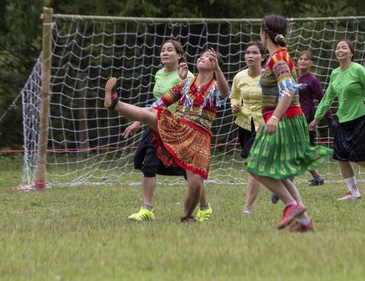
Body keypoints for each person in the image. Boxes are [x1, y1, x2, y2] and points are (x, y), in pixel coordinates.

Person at [105, 47, 229, 222]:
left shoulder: (216, 85)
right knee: (151, 112)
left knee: (195, 186)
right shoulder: (185, 84)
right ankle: (115, 104)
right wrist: (138, 121)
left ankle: (187, 216)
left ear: (216, 65)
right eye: (201, 56)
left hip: (199, 135)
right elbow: (159, 103)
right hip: (178, 126)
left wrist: (217, 69)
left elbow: (225, 93)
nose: (202, 58)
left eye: (209, 58)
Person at [245, 15, 333, 233]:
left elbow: (289, 89)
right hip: (285, 118)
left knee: (256, 166)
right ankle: (304, 222)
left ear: (264, 34)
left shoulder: (279, 58)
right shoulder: (277, 56)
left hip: (283, 119)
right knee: (281, 174)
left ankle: (292, 206)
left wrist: (274, 117)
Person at [121, 40, 207, 222]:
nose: (165, 53)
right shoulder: (159, 74)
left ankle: (205, 207)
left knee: (190, 171)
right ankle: (147, 209)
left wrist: (184, 80)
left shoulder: (187, 75)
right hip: (156, 124)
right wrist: (139, 120)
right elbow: (158, 102)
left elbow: (195, 95)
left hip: (178, 128)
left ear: (179, 55)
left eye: (170, 50)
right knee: (147, 164)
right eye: (162, 50)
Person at [310, 39, 365, 201]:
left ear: (351, 53)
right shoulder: (335, 73)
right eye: (337, 48)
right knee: (340, 155)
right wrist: (317, 118)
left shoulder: (358, 69)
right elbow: (327, 97)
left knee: (359, 157)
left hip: (362, 114)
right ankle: (354, 193)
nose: (339, 50)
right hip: (344, 117)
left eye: (344, 48)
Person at [229, 41, 266, 215]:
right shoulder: (239, 76)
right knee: (254, 163)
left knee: (253, 164)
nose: (250, 56)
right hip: (244, 123)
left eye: (254, 53)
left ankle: (247, 207)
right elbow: (234, 96)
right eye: (247, 53)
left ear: (263, 57)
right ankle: (281, 183)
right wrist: (235, 106)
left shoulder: (269, 77)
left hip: (264, 125)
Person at [295, 50, 331, 186]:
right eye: (300, 59)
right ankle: (317, 177)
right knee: (301, 151)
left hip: (306, 118)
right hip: (292, 117)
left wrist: (328, 117)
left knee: (301, 150)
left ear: (311, 63)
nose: (303, 61)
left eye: (306, 59)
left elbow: (323, 99)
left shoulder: (312, 80)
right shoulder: (292, 77)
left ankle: (288, 181)